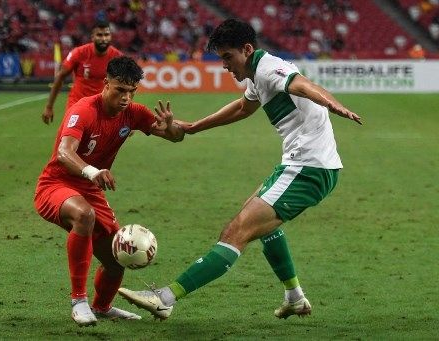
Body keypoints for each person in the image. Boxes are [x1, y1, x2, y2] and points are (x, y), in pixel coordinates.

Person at [118, 18, 362, 321]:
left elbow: (304, 85)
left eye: (227, 57)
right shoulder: (255, 74)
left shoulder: (268, 69)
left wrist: (334, 105)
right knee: (263, 225)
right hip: (300, 164)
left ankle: (165, 298)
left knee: (236, 232)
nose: (224, 66)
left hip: (308, 168)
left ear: (247, 49)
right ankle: (295, 297)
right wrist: (192, 127)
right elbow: (243, 107)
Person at [34, 56, 185, 326]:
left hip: (89, 191)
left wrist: (171, 125)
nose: (126, 97)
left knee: (118, 255)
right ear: (105, 84)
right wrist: (93, 171)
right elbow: (64, 152)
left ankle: (102, 307)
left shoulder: (134, 113)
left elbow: (174, 137)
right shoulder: (84, 110)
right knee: (85, 216)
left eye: (131, 91)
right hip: (56, 184)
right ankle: (78, 301)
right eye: (120, 90)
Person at [41, 19, 122, 124]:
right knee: (69, 139)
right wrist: (49, 107)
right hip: (77, 105)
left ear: (110, 36)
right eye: (99, 35)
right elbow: (60, 77)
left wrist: (124, 115)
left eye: (106, 35)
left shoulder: (117, 57)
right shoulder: (79, 53)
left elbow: (123, 87)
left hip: (102, 107)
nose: (103, 39)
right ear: (92, 37)